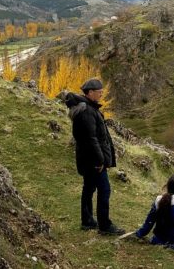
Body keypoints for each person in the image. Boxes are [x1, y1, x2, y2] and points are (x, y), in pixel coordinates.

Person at [65, 78, 125, 235]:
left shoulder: (87, 108)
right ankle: (105, 226)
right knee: (104, 190)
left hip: (87, 159)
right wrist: (100, 160)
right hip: (93, 161)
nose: (101, 94)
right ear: (90, 92)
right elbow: (91, 139)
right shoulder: (87, 112)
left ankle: (87, 221)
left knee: (89, 188)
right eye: (99, 92)